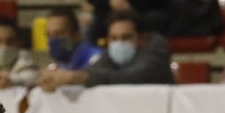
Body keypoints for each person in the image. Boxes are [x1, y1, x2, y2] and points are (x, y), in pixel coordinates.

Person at [38, 9, 174, 92]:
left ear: (141, 38)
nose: (119, 43)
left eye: (126, 37)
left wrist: (78, 77)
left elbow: (131, 78)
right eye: (113, 38)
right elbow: (95, 70)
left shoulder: (156, 52)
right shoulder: (110, 54)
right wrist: (61, 79)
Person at [85, 0, 180, 42]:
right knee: (89, 27)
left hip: (144, 16)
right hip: (111, 17)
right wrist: (109, 0)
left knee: (153, 19)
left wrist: (132, 6)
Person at [42, 7, 103, 72]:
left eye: (59, 34)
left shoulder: (96, 59)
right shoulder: (63, 64)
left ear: (77, 34)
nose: (53, 40)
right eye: (49, 35)